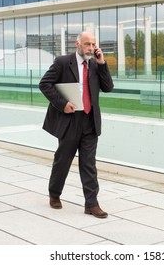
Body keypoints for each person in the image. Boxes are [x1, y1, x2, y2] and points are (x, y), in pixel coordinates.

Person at [39, 31, 114, 218]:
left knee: (89, 164)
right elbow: (45, 84)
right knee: (63, 161)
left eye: (93, 44)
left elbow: (108, 87)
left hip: (90, 121)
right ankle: (54, 194)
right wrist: (62, 104)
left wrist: (102, 64)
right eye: (87, 44)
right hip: (70, 120)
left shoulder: (96, 64)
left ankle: (91, 203)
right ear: (77, 44)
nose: (90, 48)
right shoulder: (63, 62)